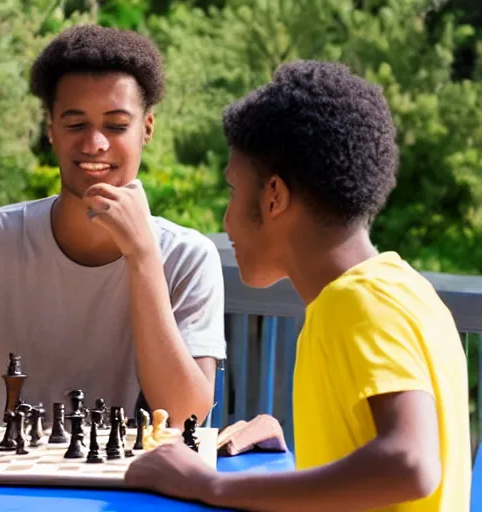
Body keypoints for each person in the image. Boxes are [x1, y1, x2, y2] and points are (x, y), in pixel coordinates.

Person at [124, 60, 471, 511]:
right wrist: (297, 454)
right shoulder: (407, 290)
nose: (226, 220)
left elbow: (410, 464)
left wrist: (209, 485)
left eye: (232, 190)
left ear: (274, 196)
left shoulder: (355, 303)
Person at [0, 25, 226, 428]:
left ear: (147, 129)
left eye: (116, 125)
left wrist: (142, 255)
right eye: (75, 124)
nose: (94, 144)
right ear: (51, 129)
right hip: (9, 479)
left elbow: (185, 415)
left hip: (136, 485)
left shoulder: (188, 256)